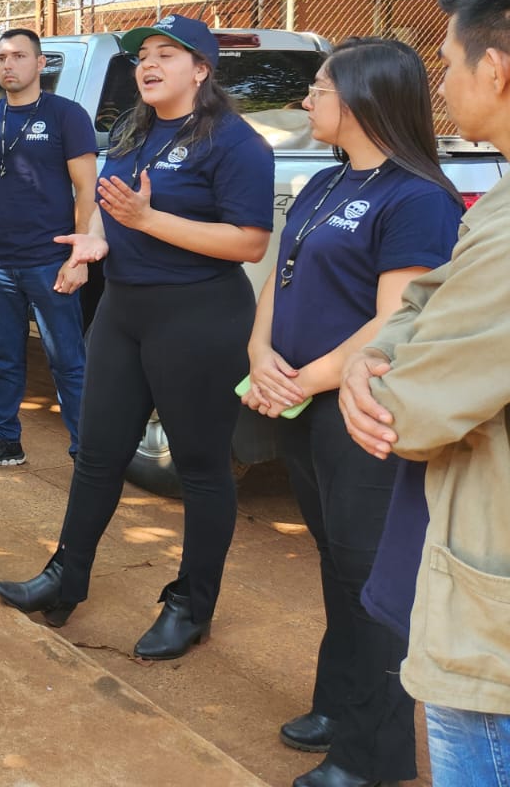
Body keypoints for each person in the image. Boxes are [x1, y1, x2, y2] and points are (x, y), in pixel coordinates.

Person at [0, 13, 274, 660]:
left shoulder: (235, 144)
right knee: (98, 451)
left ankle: (189, 605)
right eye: (143, 54)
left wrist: (149, 219)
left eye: (166, 55)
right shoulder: (134, 127)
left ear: (202, 69)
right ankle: (67, 577)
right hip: (123, 310)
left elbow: (249, 241)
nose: (148, 64)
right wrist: (93, 243)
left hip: (198, 317)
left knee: (202, 468)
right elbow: (107, 202)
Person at [243, 39, 461, 787]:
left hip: (360, 414)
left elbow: (394, 321)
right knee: (337, 564)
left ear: (363, 98)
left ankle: (374, 757)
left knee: (372, 582)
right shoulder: (320, 183)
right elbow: (280, 276)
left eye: (318, 89)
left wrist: (306, 378)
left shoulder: (417, 197)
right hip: (301, 403)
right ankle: (338, 706)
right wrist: (259, 352)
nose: (307, 101)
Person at [341, 0, 510, 787]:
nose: (442, 82)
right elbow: (426, 298)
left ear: (497, 70)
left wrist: (364, 380)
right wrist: (374, 352)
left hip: (492, 625)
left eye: (449, 61)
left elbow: (407, 415)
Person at [0, 27, 98, 466]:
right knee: (3, 357)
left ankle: (87, 452)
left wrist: (79, 256)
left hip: (50, 262)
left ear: (40, 64)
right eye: (0, 59)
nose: (7, 65)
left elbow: (87, 190)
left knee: (68, 361)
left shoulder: (65, 116)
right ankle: (4, 440)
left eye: (17, 56)